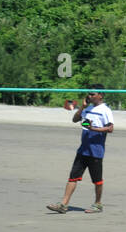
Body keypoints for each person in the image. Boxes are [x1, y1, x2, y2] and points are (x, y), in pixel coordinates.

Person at [47, 86, 115, 214]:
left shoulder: (105, 110)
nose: (89, 95)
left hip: (96, 151)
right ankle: (63, 204)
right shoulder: (88, 108)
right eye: (88, 93)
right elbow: (75, 120)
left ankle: (98, 204)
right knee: (73, 177)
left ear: (100, 95)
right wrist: (82, 107)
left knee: (97, 180)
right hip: (83, 150)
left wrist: (93, 128)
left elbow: (110, 128)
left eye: (92, 94)